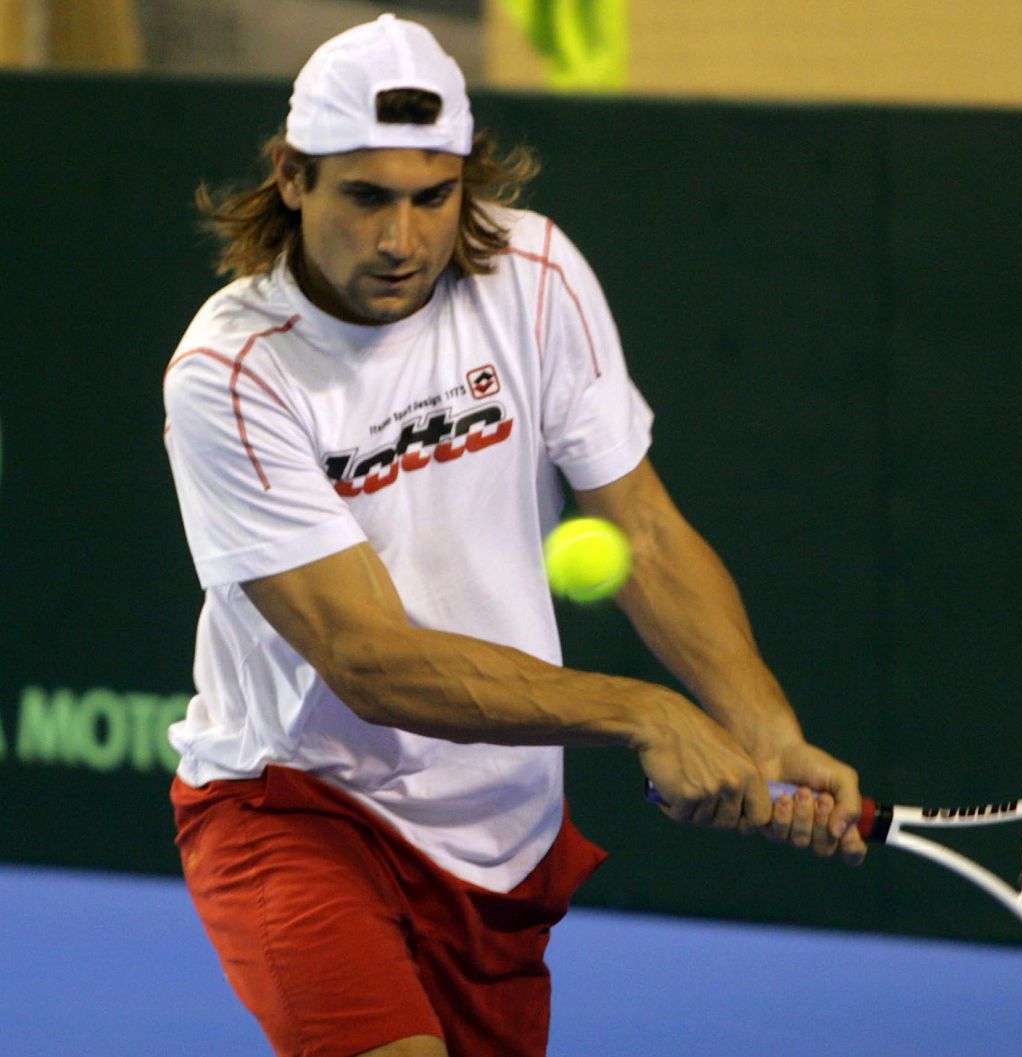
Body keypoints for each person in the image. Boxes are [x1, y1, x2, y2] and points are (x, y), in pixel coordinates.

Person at [161, 14, 866, 1057]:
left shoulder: (532, 273)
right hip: (300, 804)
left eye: (432, 196)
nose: (402, 239)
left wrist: (762, 731)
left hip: (502, 832)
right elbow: (370, 659)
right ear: (292, 176)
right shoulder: (230, 374)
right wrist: (643, 713)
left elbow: (650, 536)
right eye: (365, 195)